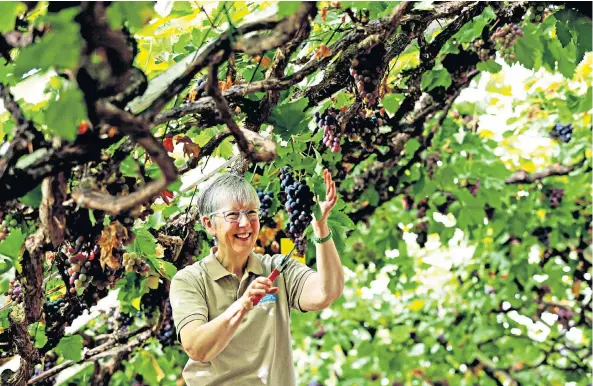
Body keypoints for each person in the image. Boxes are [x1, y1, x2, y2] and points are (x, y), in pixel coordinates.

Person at [169, 169, 344, 385]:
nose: (245, 223)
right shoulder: (189, 280)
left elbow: (327, 293)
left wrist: (321, 227)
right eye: (233, 215)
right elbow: (196, 347)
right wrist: (243, 304)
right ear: (208, 224)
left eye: (252, 213)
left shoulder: (278, 267)